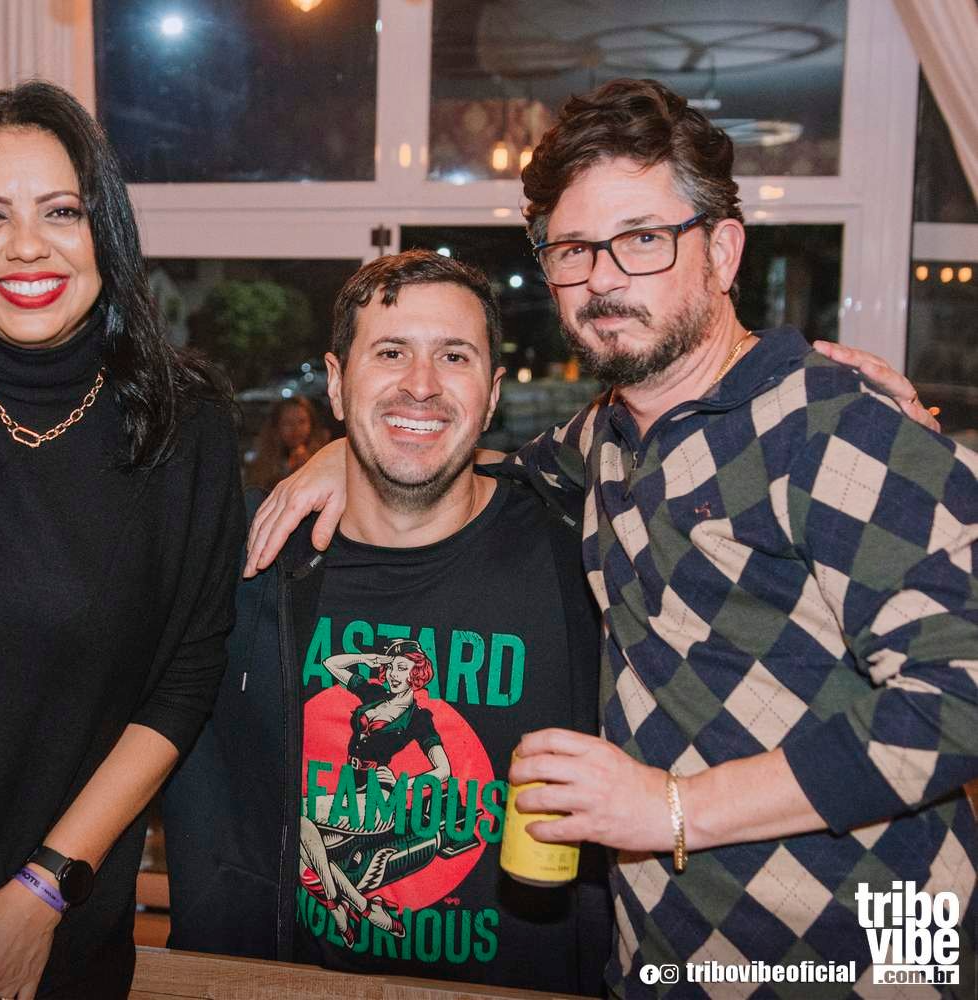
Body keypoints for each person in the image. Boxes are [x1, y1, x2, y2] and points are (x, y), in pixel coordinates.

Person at [246, 79, 977, 999]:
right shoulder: (608, 439)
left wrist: (673, 808)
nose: (601, 279)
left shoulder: (838, 427)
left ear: (721, 251)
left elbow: (958, 700)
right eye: (573, 250)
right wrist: (344, 450)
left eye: (641, 240)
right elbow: (470, 453)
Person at [164, 250, 611, 995]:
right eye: (391, 352)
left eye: (455, 356)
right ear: (337, 384)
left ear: (492, 394)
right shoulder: (243, 559)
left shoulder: (584, 558)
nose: (422, 384)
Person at [0, 81, 244, 1000]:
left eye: (61, 211)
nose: (27, 246)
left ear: (104, 231)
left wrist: (45, 888)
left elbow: (185, 677)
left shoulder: (185, 426)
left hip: (55, 924)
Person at [245, 395, 330, 491]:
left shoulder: (324, 456)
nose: (296, 429)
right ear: (276, 427)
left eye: (302, 422)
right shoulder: (263, 464)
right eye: (288, 423)